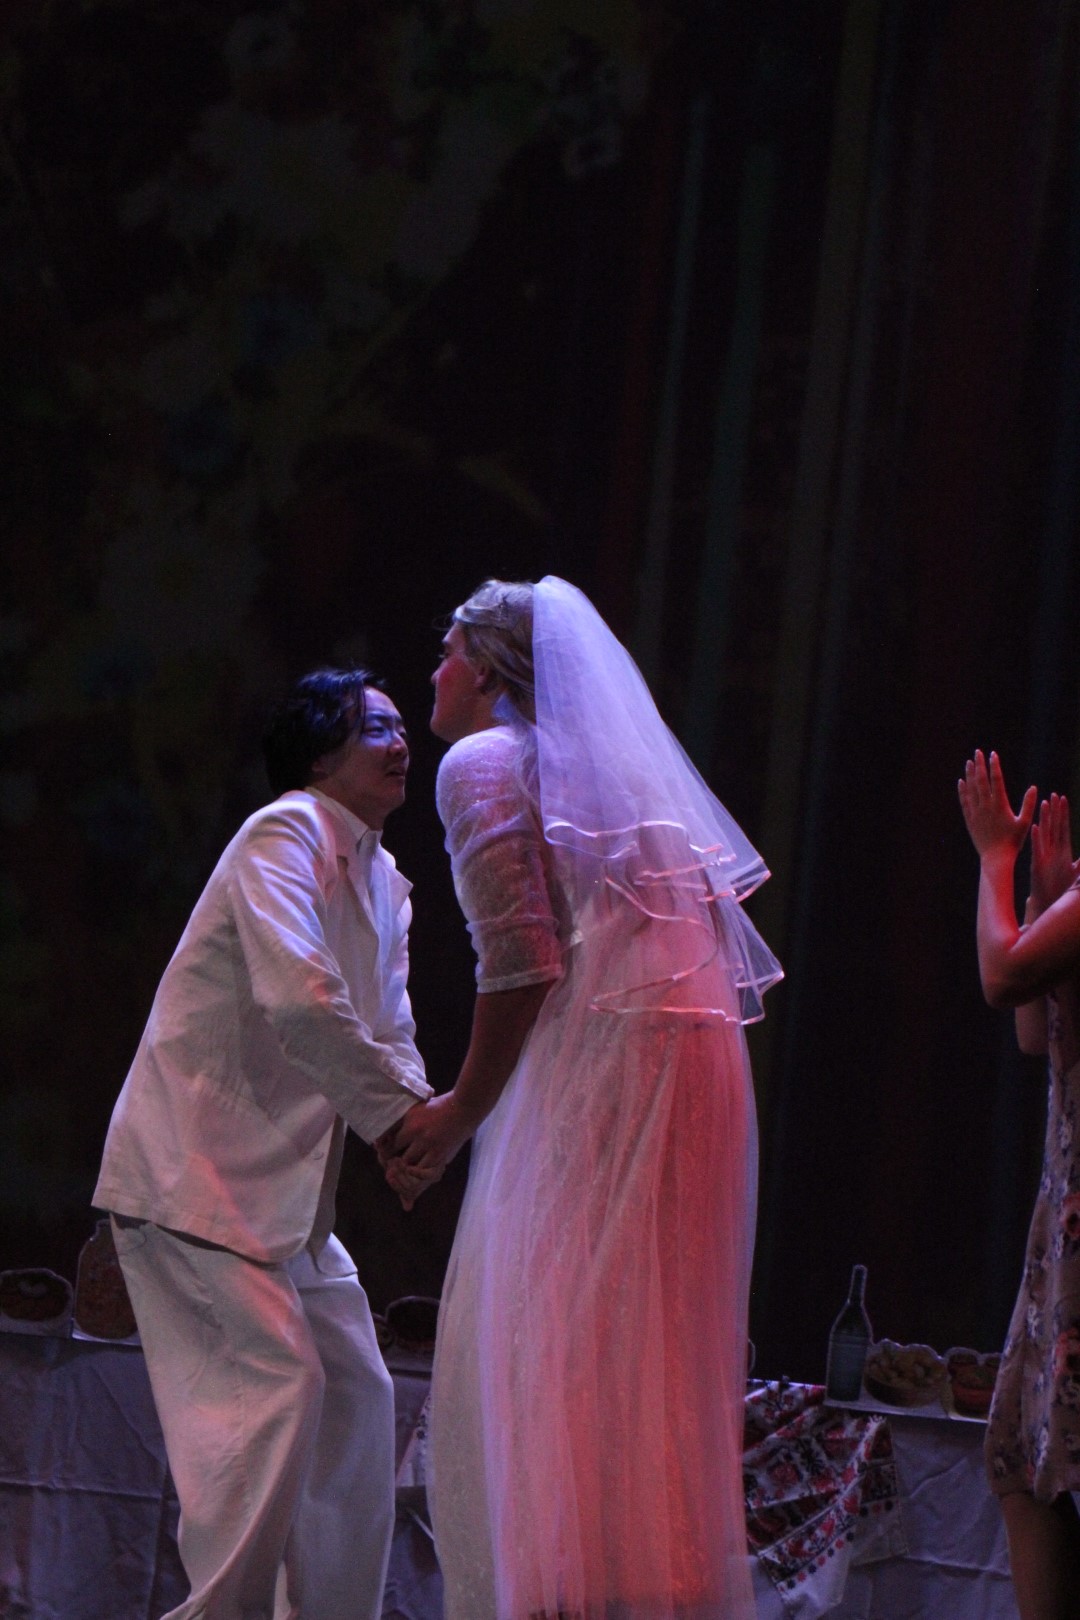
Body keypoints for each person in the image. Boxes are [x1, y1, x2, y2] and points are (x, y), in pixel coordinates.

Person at [379, 577, 782, 1620]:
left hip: (612, 1054)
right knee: (642, 1347)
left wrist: (458, 1113)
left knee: (554, 1333)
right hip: (690, 1051)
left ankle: (563, 1593)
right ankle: (630, 1589)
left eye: (447, 652)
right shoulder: (604, 776)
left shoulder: (483, 762)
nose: (435, 673)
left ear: (488, 670)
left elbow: (520, 963)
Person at [93, 667, 432, 1620]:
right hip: (195, 1176)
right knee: (278, 1390)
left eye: (401, 726)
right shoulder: (285, 832)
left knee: (356, 1396)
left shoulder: (384, 880)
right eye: (375, 727)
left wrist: (414, 1135)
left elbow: (390, 1027)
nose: (401, 741)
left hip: (283, 1199)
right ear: (319, 753)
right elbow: (303, 999)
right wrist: (397, 1122)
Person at [958, 747, 1080, 1620]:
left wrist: (995, 861)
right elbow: (1038, 1034)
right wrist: (1044, 898)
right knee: (1027, 1464)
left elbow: (1002, 976)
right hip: (1064, 1212)